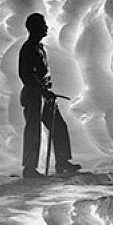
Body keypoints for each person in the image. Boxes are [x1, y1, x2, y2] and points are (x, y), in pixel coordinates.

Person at [18, 13, 81, 178]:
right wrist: (42, 90)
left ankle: (62, 161)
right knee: (33, 130)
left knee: (59, 126)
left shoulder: (39, 47)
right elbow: (27, 74)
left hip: (45, 95)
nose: (46, 27)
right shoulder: (28, 48)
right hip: (34, 95)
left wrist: (47, 91)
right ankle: (29, 168)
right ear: (36, 28)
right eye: (43, 24)